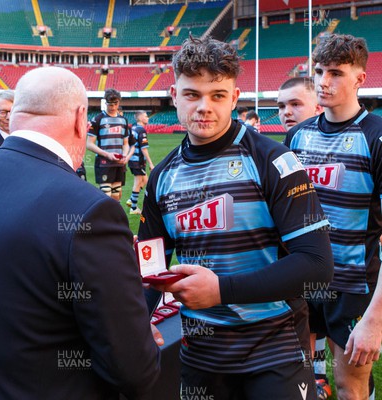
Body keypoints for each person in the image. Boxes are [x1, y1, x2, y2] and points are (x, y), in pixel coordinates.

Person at [0, 67, 161, 399]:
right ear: (81, 118)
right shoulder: (90, 209)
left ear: (17, 113)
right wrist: (134, 335)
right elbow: (133, 370)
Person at [138, 36, 334, 399]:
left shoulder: (274, 162)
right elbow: (151, 269)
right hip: (200, 352)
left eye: (217, 95)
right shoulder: (161, 177)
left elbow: (317, 265)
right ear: (174, 95)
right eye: (192, 94)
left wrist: (221, 291)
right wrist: (136, 324)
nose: (204, 107)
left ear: (234, 97)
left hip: (275, 348)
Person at [284, 33, 382, 400]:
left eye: (336, 73)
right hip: (301, 278)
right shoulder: (295, 137)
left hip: (353, 285)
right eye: (320, 71)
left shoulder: (376, 137)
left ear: (360, 79)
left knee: (349, 385)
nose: (324, 82)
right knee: (300, 383)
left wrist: (376, 318)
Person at [277, 77, 331, 399]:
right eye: (281, 106)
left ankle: (322, 374)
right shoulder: (285, 147)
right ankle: (316, 377)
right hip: (298, 252)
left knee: (327, 322)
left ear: (318, 106)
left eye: (295, 104)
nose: (286, 112)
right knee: (308, 319)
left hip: (339, 255)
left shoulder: (333, 143)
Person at [86, 88, 133, 201]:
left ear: (119, 102)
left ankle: (114, 219)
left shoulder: (123, 120)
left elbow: (126, 143)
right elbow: (89, 144)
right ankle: (104, 218)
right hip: (104, 163)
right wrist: (107, 154)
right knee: (106, 195)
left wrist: (125, 156)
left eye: (115, 104)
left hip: (119, 163)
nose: (112, 107)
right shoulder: (97, 120)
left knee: (116, 196)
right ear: (105, 102)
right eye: (109, 104)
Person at [125, 111, 154, 215]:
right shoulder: (141, 130)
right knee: (138, 182)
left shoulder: (133, 128)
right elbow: (144, 149)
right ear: (141, 118)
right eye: (146, 116)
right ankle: (133, 208)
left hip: (133, 160)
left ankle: (131, 199)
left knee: (145, 180)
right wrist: (151, 163)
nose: (148, 118)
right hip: (138, 161)